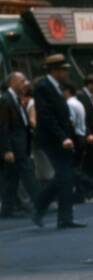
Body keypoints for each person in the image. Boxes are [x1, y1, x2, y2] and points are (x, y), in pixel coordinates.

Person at [32, 55, 86, 229]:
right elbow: (46, 116)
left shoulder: (55, 86)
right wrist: (63, 137)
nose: (66, 73)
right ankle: (59, 216)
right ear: (55, 70)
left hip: (62, 138)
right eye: (64, 70)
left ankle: (53, 213)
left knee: (64, 177)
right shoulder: (43, 87)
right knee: (64, 176)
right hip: (53, 139)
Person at [1, 71, 40, 220]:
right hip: (15, 147)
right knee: (28, 175)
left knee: (11, 179)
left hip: (21, 145)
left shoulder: (15, 99)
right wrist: (7, 150)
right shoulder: (6, 100)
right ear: (13, 82)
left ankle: (7, 209)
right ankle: (40, 203)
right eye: (22, 81)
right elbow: (3, 127)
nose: (26, 84)